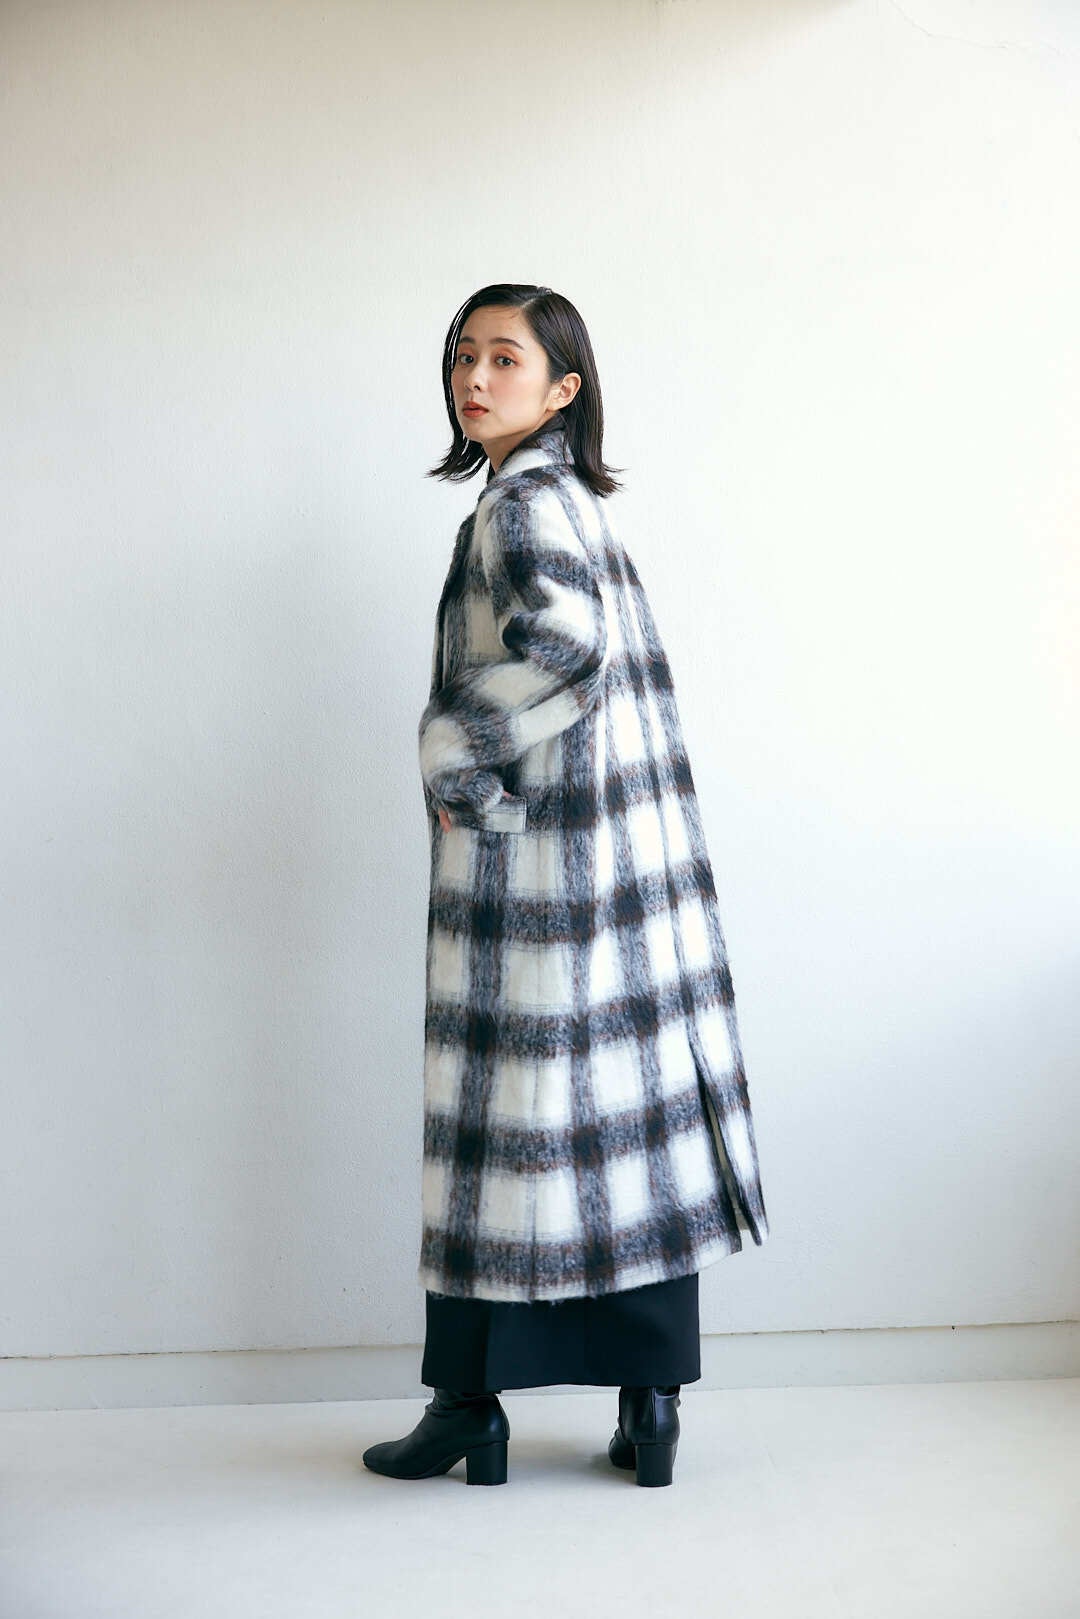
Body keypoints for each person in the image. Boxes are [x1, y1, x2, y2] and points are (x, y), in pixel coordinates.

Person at [363, 283, 769, 1489]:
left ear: (563, 387)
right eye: (463, 356)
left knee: (502, 1129)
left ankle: (468, 1405)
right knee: (623, 1127)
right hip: (614, 868)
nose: (474, 378)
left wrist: (455, 750)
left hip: (538, 873)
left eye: (505, 358)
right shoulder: (567, 499)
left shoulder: (523, 503)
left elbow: (567, 645)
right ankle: (651, 1404)